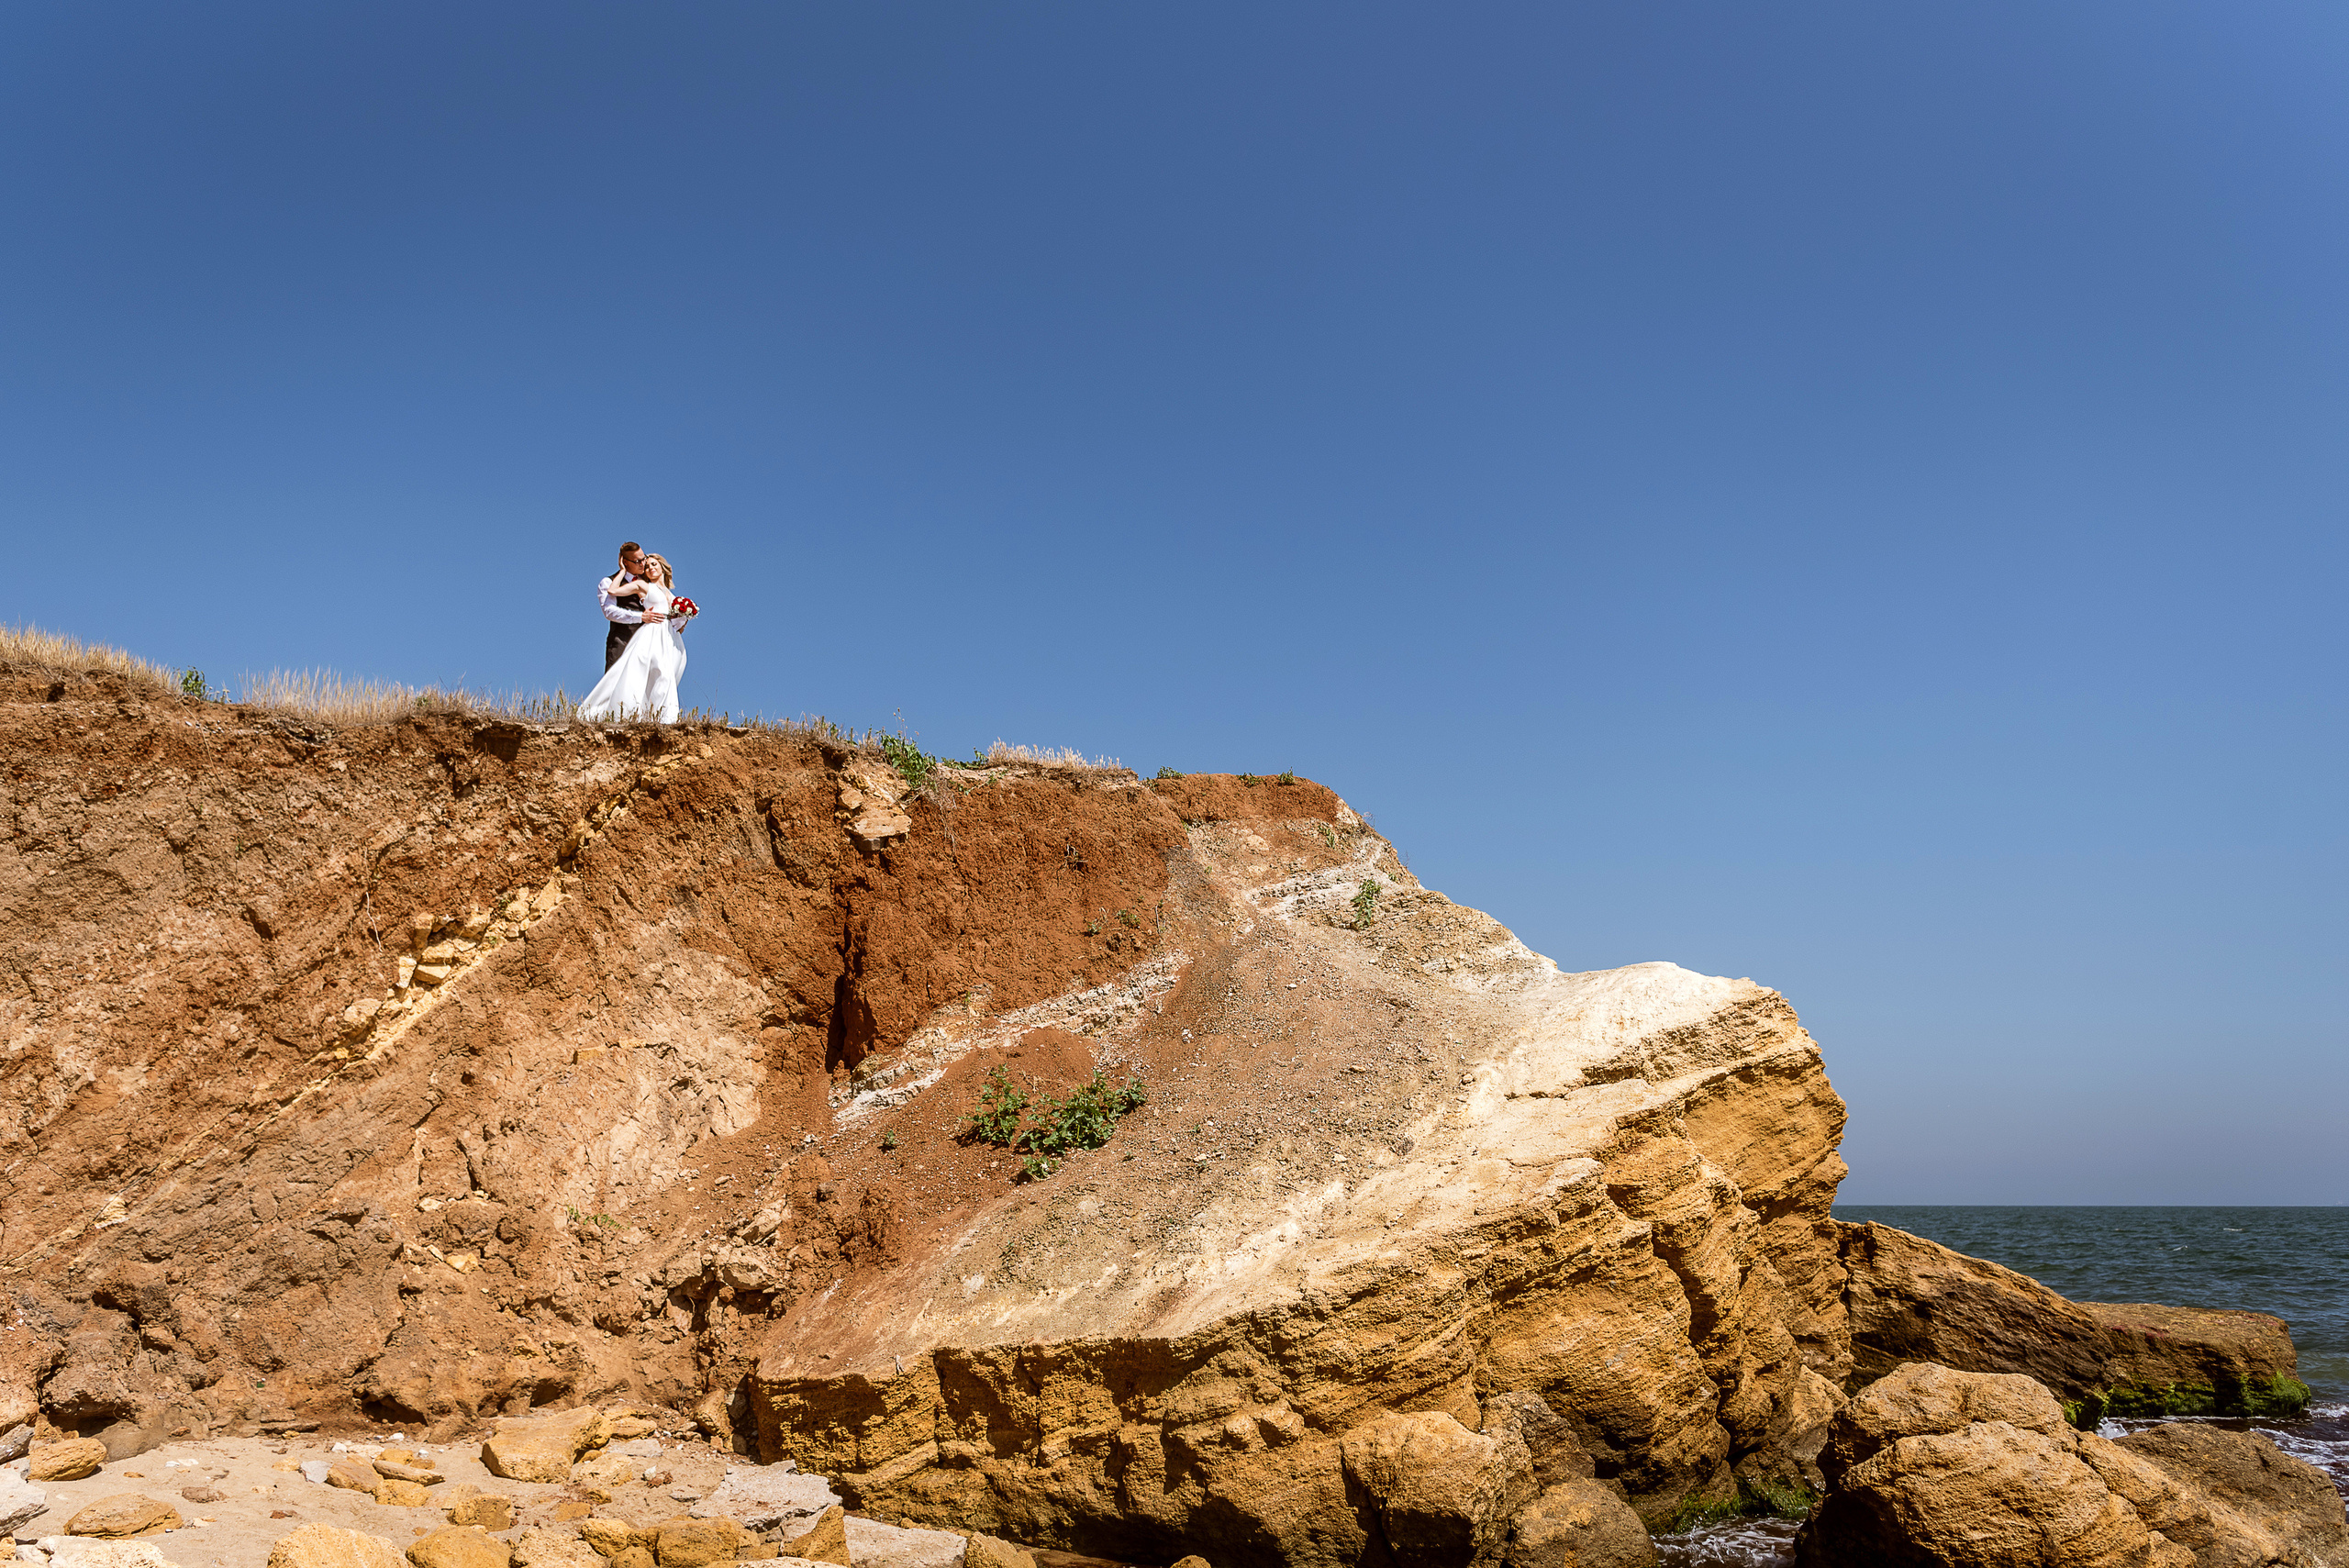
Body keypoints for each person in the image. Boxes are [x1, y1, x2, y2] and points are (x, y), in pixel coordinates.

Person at [579, 552, 692, 722]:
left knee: (667, 676)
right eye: (647, 567)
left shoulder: (673, 596)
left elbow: (679, 628)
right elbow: (613, 590)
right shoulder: (643, 586)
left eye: (654, 564)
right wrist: (623, 571)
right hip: (653, 633)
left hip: (670, 638)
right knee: (659, 672)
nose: (650, 568)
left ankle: (657, 717)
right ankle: (661, 719)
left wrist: (684, 618)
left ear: (662, 567)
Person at [598, 541, 669, 673]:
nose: (643, 564)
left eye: (644, 558)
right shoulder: (608, 582)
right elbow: (609, 611)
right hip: (622, 642)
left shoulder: (648, 580)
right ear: (625, 562)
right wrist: (641, 616)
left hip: (648, 644)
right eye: (637, 561)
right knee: (615, 682)